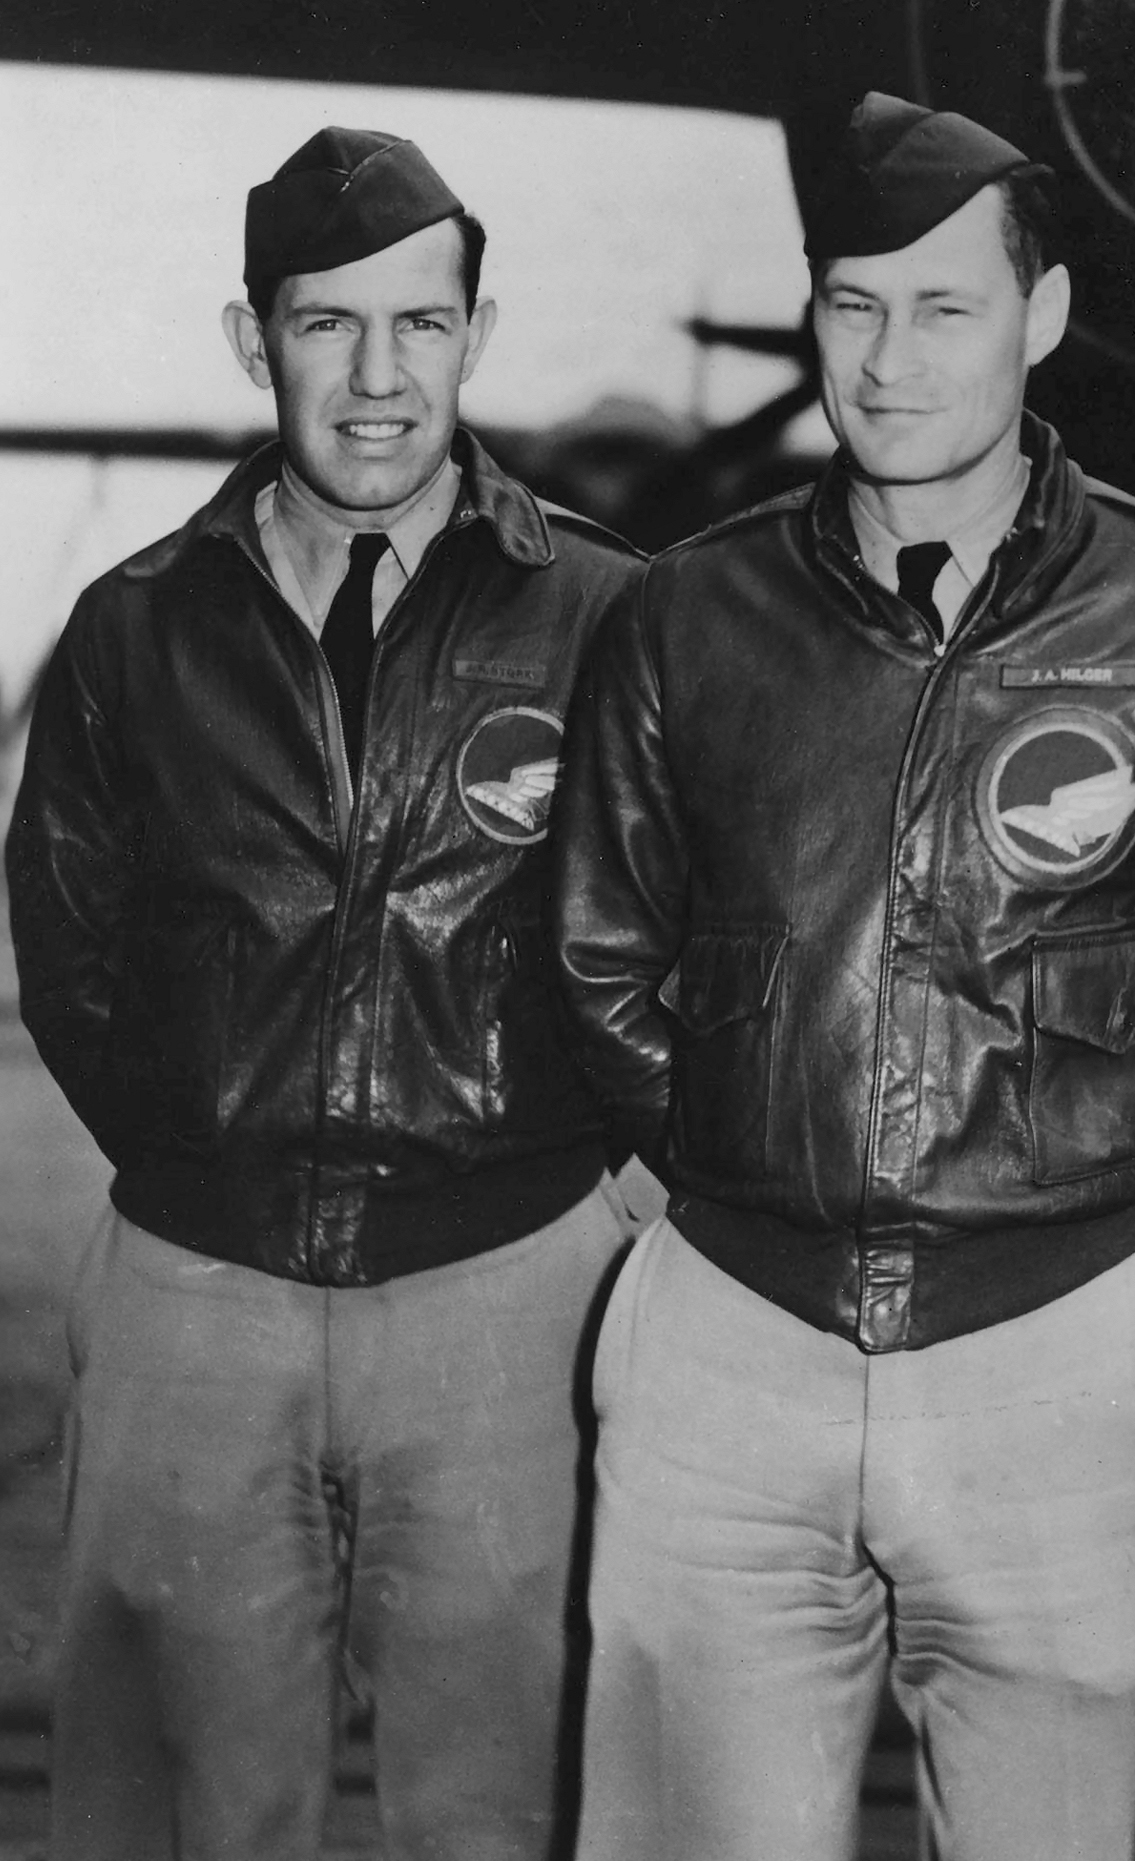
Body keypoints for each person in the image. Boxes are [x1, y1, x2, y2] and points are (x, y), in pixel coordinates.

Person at [553, 93, 1135, 1861]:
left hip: (1062, 1334)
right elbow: (602, 943)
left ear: (1044, 317)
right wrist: (729, 1177)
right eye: (855, 305)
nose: (891, 358)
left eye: (943, 307)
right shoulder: (688, 616)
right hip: (737, 1342)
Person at [7, 128, 644, 1861]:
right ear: (250, 338)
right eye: (326, 326)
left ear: (476, 331)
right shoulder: (133, 631)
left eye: (419, 327)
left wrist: (551, 1175)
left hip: (508, 1289)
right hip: (199, 1288)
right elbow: (66, 949)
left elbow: (680, 938)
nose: (378, 379)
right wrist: (215, 1171)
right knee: (180, 1803)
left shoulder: (608, 620)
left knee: (508, 1800)